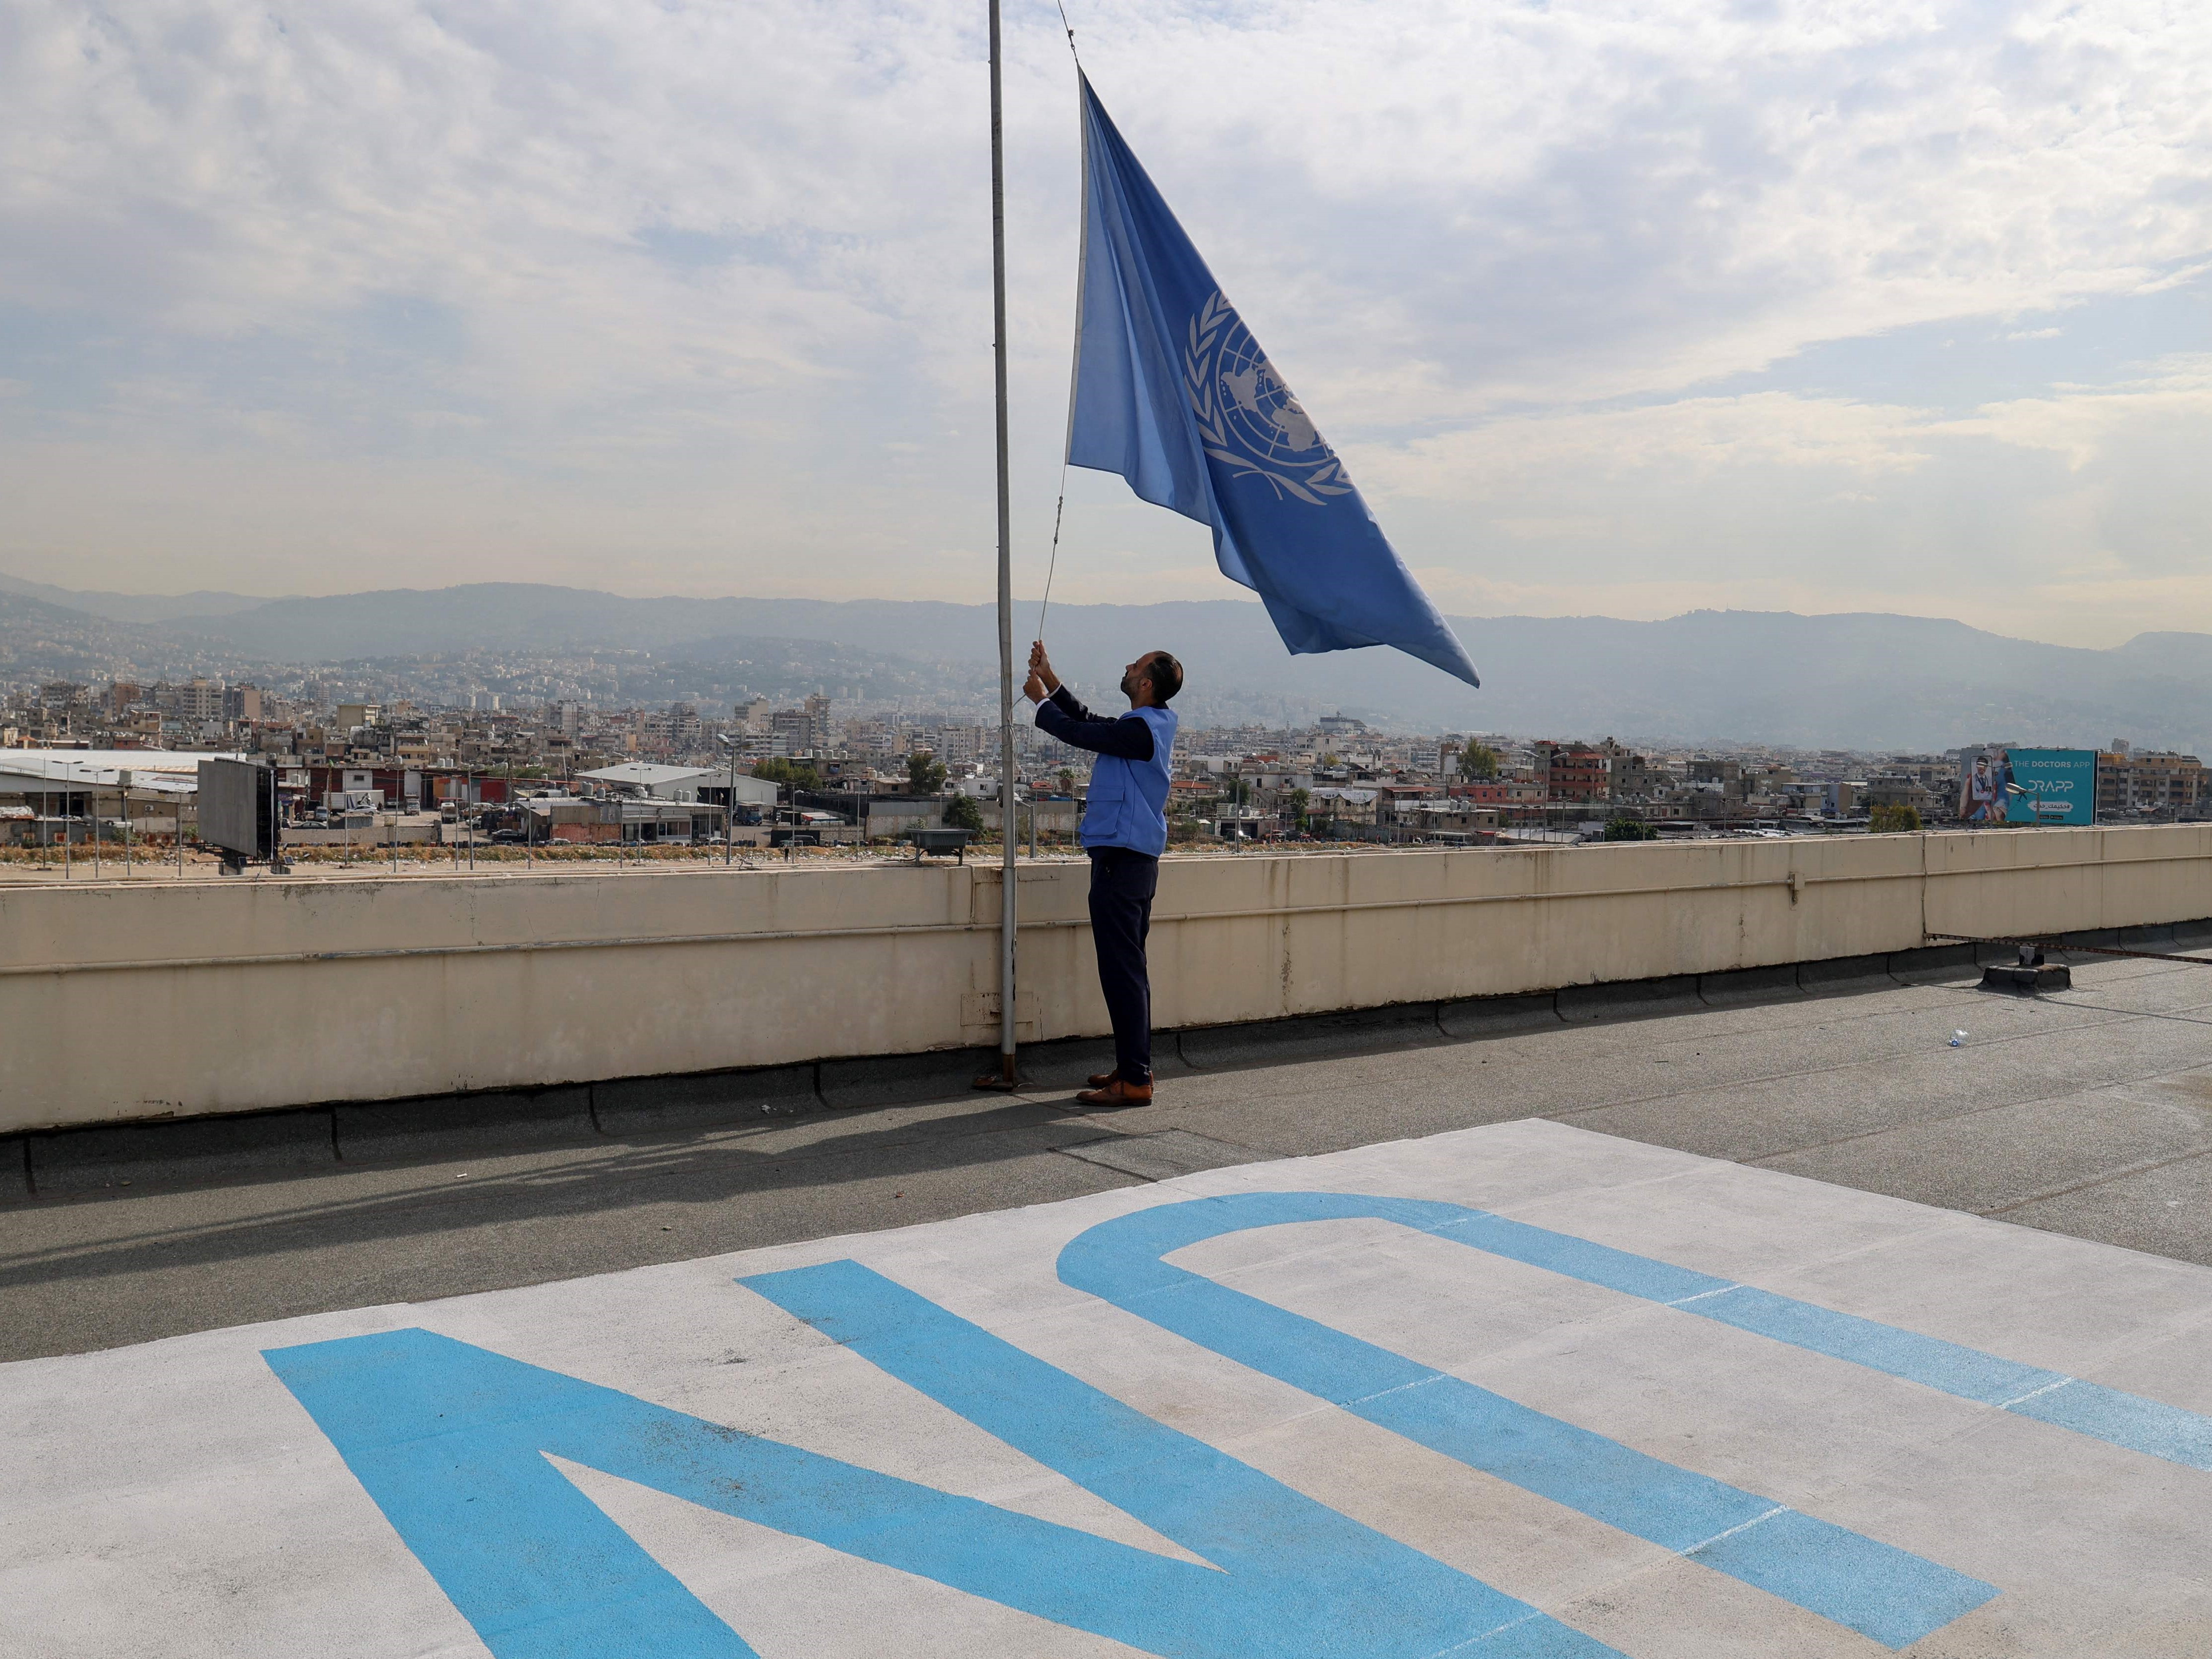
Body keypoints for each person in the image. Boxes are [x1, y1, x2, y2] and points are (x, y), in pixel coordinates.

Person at [1024, 640, 1182, 1107]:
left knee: (1123, 973)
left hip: (1123, 860)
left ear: (1147, 683)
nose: (1128, 666)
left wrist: (1041, 704)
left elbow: (1080, 734)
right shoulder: (1146, 725)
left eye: (1136, 665)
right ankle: (1133, 1067)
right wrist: (1051, 680)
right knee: (1128, 971)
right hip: (1131, 859)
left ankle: (1135, 1079)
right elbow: (1093, 722)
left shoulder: (1140, 732)